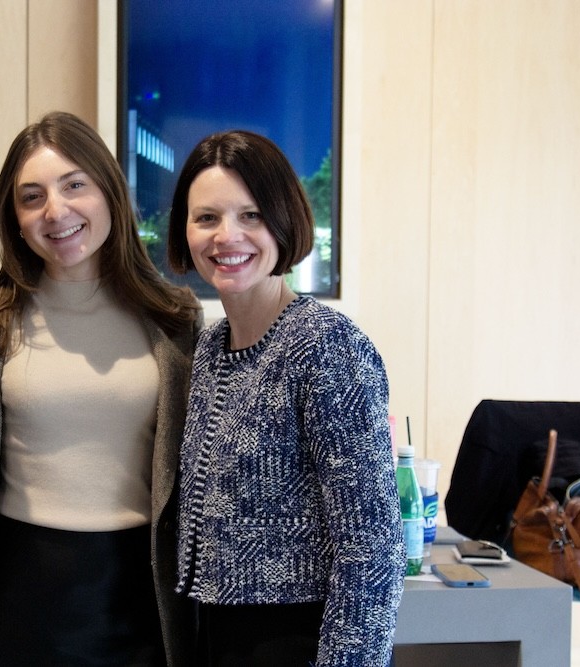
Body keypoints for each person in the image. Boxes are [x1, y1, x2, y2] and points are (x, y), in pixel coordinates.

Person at [0, 111, 202, 666]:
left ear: (109, 193)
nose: (56, 210)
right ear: (15, 218)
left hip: (140, 593)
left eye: (75, 185)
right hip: (17, 593)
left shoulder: (174, 319)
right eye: (32, 196)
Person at [166, 130, 405, 666]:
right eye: (207, 218)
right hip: (214, 634)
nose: (227, 236)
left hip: (297, 639)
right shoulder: (209, 346)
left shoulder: (327, 346)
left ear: (284, 220)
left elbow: (372, 549)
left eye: (250, 215)